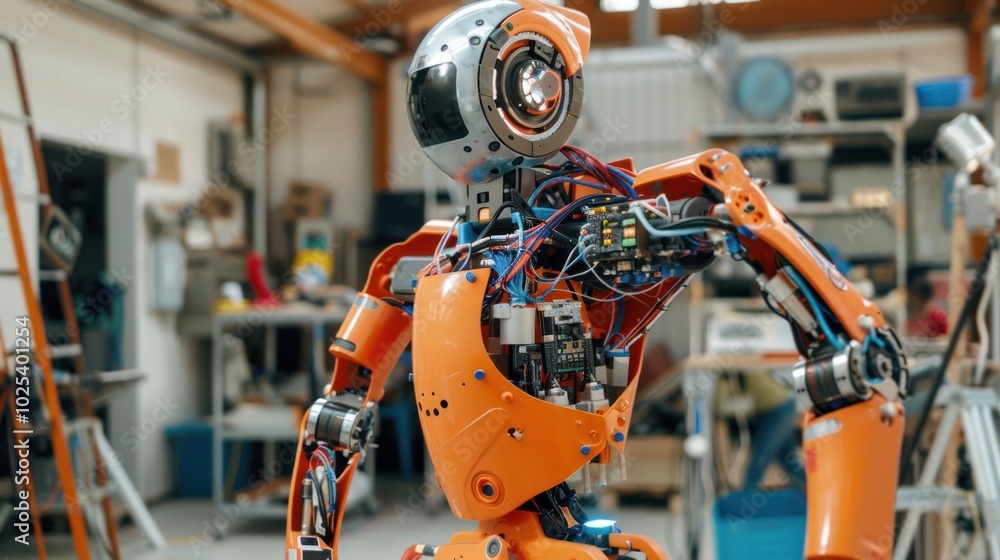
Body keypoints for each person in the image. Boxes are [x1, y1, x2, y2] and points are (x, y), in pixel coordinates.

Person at [906, 273, 948, 338]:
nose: (914, 300)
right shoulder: (904, 315)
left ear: (925, 299)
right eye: (912, 295)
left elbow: (950, 337)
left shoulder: (938, 317)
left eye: (918, 297)